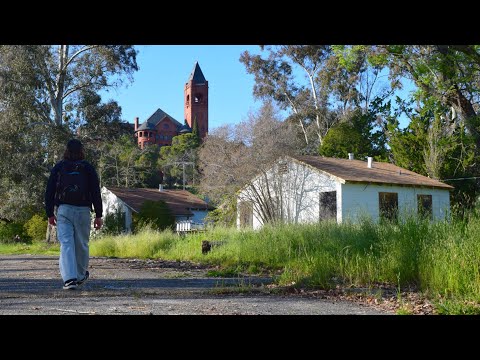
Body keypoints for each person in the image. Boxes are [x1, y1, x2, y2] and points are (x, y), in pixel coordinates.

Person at [45, 139, 103, 290]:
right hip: (83, 211)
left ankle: (69, 279)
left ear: (66, 150)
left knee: (66, 244)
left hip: (64, 210)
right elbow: (95, 192)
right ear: (81, 151)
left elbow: (49, 191)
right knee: (82, 244)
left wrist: (50, 213)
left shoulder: (59, 167)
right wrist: (98, 214)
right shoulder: (88, 168)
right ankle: (80, 275)